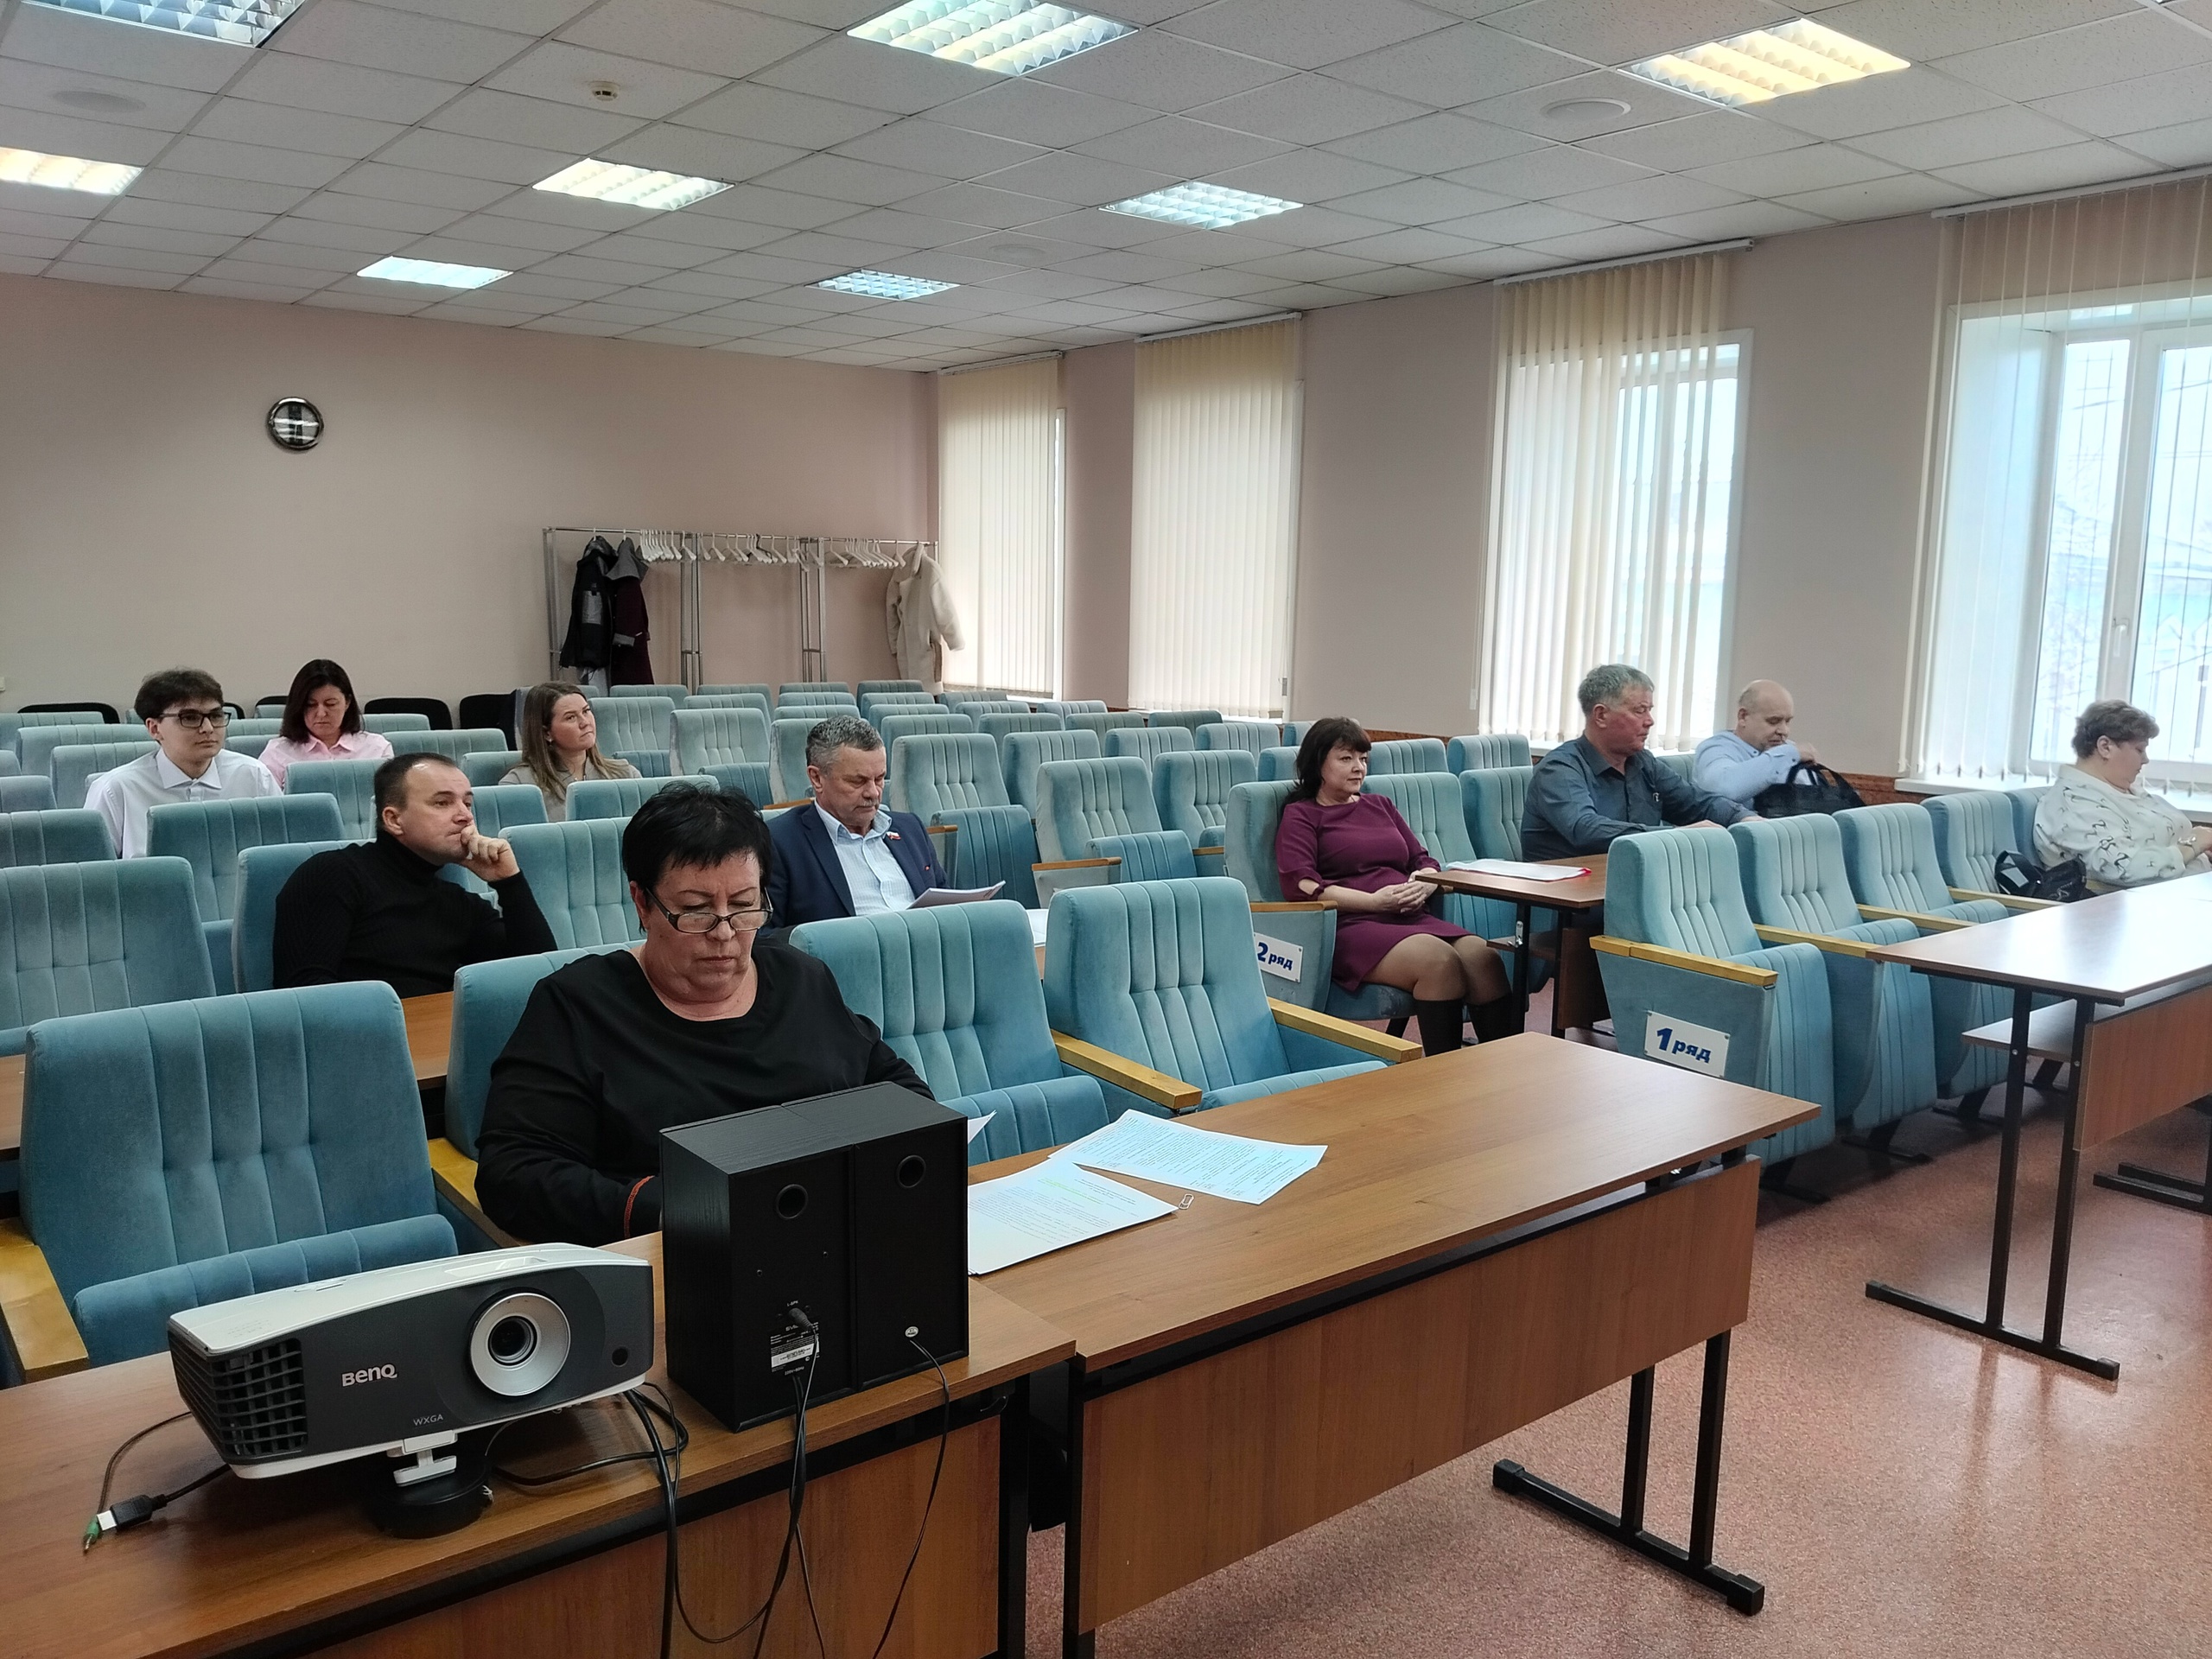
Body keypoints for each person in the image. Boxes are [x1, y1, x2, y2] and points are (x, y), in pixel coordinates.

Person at [474, 786, 933, 1245]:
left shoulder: (800, 978)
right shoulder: (577, 1006)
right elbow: (513, 1175)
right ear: (643, 904)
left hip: (827, 1230)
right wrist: (675, 1208)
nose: (725, 933)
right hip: (677, 1248)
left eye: (744, 906)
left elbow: (895, 1082)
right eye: (696, 911)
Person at [1275, 717, 1516, 1056]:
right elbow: (1302, 886)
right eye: (1346, 758)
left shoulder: (1380, 805)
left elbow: (1424, 860)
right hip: (1350, 923)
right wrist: (1375, 902)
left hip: (1407, 914)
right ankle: (1445, 1075)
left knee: (1484, 957)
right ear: (1318, 763)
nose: (1358, 767)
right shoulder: (1301, 814)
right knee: (1438, 962)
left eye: (1363, 759)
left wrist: (1424, 885)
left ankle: (1507, 1068)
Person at [271, 753, 556, 997]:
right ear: (394, 819)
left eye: (467, 803)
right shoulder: (333, 875)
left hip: (443, 1036)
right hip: (366, 1040)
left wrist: (509, 882)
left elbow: (538, 976)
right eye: (442, 803)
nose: (465, 816)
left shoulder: (459, 903)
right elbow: (305, 995)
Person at [1522, 664, 1749, 860]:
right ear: (1601, 715)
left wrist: (1744, 818)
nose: (1649, 721)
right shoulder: (1560, 768)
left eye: (1649, 710)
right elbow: (1586, 829)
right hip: (1567, 893)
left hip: (1632, 882)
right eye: (1640, 711)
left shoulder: (1642, 763)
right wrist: (1675, 836)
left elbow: (1696, 803)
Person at [764, 713, 943, 929]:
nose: (873, 793)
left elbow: (947, 905)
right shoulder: (779, 842)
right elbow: (766, 937)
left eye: (879, 779)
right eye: (858, 781)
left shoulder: (910, 829)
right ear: (817, 778)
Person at [86, 667, 279, 857]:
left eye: (215, 716)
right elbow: (94, 870)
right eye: (190, 718)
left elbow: (282, 852)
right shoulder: (116, 789)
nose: (208, 728)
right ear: (154, 729)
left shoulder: (254, 775)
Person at [2034, 701, 2212, 887]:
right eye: (2139, 749)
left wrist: (2200, 850)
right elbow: (2124, 868)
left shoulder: (2122, 790)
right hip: (2144, 902)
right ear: (2105, 747)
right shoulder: (2073, 804)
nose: (2145, 759)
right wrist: (2193, 844)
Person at [499, 682, 639, 823]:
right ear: (547, 733)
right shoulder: (518, 785)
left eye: (586, 711)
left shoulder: (627, 774)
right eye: (571, 717)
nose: (585, 722)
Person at [256, 658, 394, 786]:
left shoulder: (377, 749)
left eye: (331, 704)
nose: (321, 713)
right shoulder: (277, 753)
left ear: (347, 702)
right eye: (310, 705)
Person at [1693, 679, 1816, 806]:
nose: (1784, 731)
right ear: (1743, 717)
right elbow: (1724, 789)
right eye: (1773, 721)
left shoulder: (1787, 750)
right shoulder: (1716, 749)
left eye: (1787, 721)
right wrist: (1789, 754)